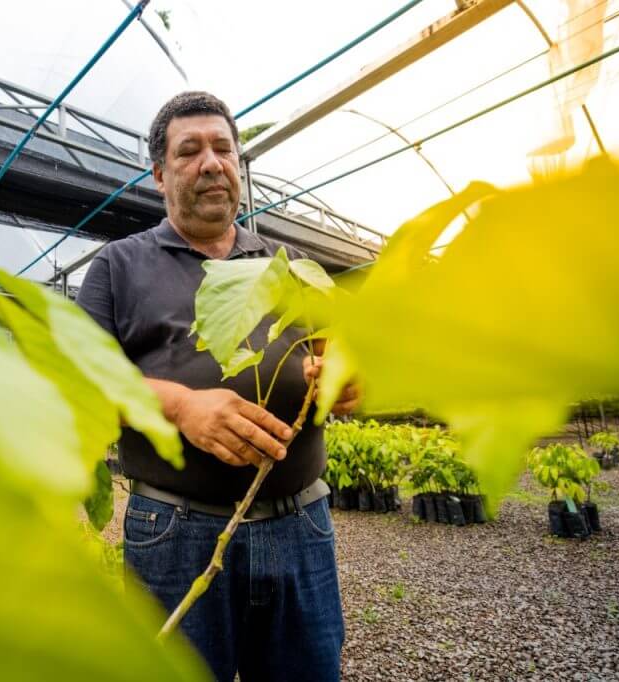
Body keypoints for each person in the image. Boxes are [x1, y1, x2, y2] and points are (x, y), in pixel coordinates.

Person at [76, 91, 359, 682]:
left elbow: (338, 356)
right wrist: (178, 405)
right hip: (175, 532)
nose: (212, 162)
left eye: (223, 149)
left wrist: (347, 378)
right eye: (190, 150)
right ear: (159, 175)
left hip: (301, 523)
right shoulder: (118, 267)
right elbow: (80, 380)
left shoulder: (290, 264)